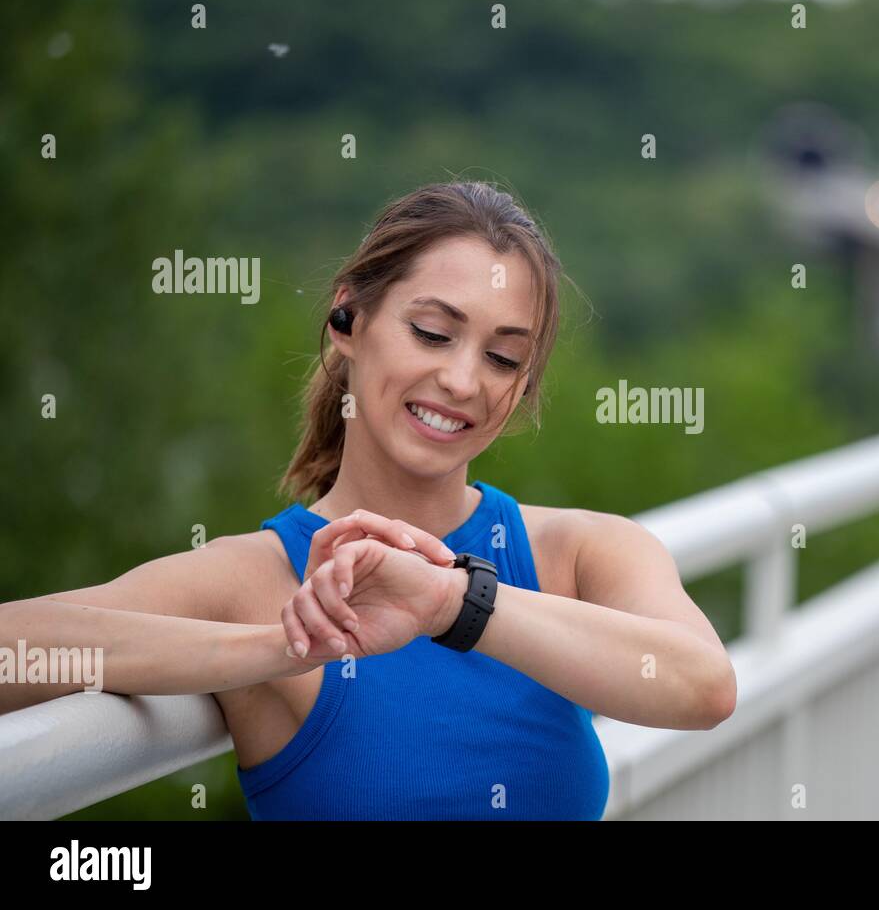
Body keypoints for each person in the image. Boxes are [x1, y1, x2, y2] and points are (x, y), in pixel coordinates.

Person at [0, 180, 737, 820]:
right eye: (432, 332)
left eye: (503, 357)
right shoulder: (256, 582)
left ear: (521, 391)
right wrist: (277, 648)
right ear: (347, 317)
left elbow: (703, 686)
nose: (461, 379)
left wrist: (451, 603)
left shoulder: (579, 552)